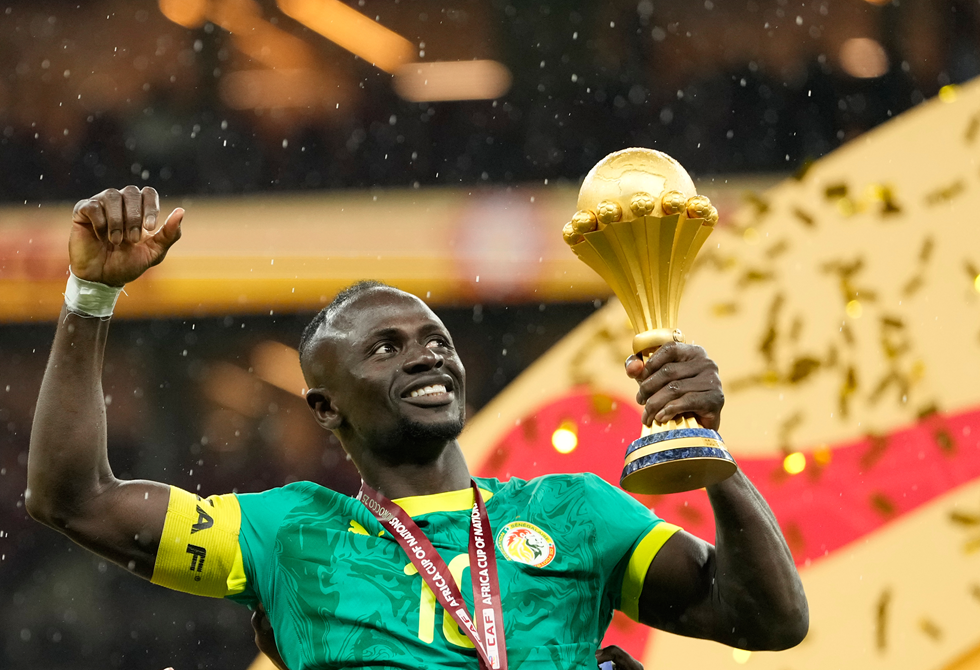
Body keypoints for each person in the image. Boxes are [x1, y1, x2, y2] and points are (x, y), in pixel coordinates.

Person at [27, 186, 808, 670]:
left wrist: (707, 451)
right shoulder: (285, 534)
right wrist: (90, 297)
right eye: (385, 348)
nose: (426, 356)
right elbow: (73, 498)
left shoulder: (574, 512)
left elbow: (769, 621)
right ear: (326, 407)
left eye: (437, 340)